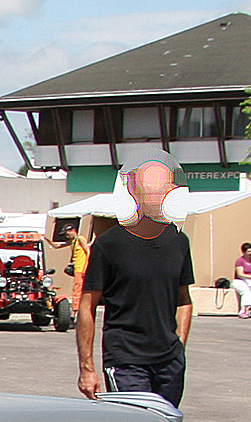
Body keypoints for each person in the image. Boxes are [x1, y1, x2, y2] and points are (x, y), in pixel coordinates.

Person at [76, 155, 194, 406]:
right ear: (133, 194)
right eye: (147, 193)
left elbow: (184, 300)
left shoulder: (178, 242)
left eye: (160, 192)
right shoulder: (109, 245)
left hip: (170, 362)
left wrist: (180, 345)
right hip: (126, 361)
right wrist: (87, 367)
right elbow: (87, 306)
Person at [232, 242, 251, 318]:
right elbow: (240, 274)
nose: (250, 253)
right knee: (246, 291)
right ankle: (243, 310)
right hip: (240, 281)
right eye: (248, 251)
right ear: (243, 252)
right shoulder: (240, 261)